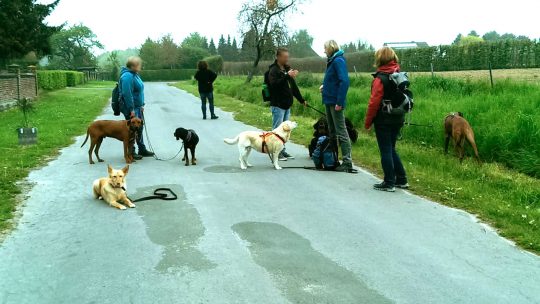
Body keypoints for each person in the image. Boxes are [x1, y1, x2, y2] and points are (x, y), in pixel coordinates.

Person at [364, 47, 408, 192]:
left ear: (380, 59)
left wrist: (368, 121)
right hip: (398, 117)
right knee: (391, 148)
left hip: (383, 119)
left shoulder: (380, 78)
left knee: (386, 150)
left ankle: (389, 182)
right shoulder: (398, 74)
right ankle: (401, 179)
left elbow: (374, 102)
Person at [268, 47, 307, 161]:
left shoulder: (287, 69)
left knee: (285, 130)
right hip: (278, 105)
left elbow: (293, 88)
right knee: (277, 130)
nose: (286, 59)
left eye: (287, 57)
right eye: (284, 57)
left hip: (287, 105)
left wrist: (301, 100)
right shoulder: (273, 70)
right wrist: (286, 76)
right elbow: (274, 85)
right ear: (278, 57)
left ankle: (282, 150)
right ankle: (276, 152)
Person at [320, 40, 352, 172]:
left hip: (335, 102)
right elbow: (333, 80)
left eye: (325, 48)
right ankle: (333, 159)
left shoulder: (338, 60)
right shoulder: (332, 60)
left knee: (341, 131)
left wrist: (340, 102)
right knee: (332, 131)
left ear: (331, 48)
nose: (324, 51)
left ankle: (347, 162)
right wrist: (324, 86)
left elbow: (344, 81)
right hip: (328, 100)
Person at [120, 56, 154, 159]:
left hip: (138, 107)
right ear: (133, 66)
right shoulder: (127, 76)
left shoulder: (135, 75)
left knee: (139, 128)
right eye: (139, 65)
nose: (140, 66)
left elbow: (139, 91)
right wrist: (131, 110)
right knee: (131, 130)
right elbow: (127, 94)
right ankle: (132, 151)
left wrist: (142, 105)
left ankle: (142, 149)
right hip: (131, 109)